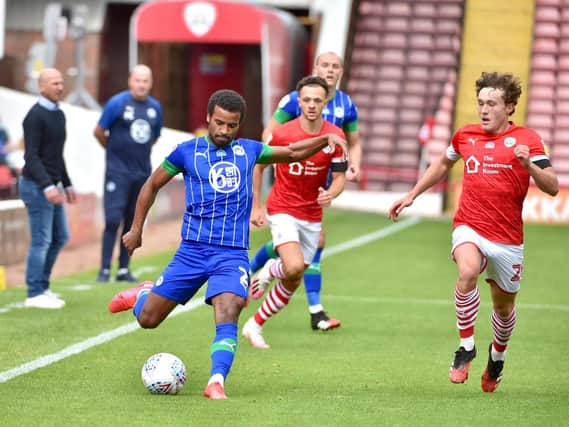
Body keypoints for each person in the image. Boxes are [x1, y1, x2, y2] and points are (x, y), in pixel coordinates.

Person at [107, 89, 347, 399]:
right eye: (219, 123)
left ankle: (216, 381)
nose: (223, 131)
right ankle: (143, 295)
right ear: (208, 117)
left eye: (231, 126)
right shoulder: (185, 152)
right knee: (148, 320)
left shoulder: (250, 151)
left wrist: (323, 140)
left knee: (229, 309)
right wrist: (136, 229)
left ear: (239, 125)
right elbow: (152, 185)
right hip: (191, 252)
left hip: (231, 254)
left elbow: (290, 153)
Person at [387, 72, 559, 392]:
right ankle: (466, 346)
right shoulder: (465, 135)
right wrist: (412, 194)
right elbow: (441, 164)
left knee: (503, 308)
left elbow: (551, 187)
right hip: (470, 225)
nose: (484, 109)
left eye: (491, 103)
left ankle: (497, 355)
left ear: (509, 107)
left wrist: (530, 166)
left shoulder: (528, 140)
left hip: (507, 238)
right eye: (480, 103)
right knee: (466, 272)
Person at [249, 51, 361, 331]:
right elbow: (269, 136)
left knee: (298, 258)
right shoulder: (293, 100)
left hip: (319, 187)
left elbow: (353, 142)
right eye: (325, 65)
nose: (330, 70)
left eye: (335, 66)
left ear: (341, 73)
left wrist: (351, 166)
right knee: (298, 257)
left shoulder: (346, 105)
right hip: (290, 185)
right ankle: (315, 309)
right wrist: (285, 155)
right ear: (315, 67)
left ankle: (257, 273)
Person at [94, 64, 163, 283]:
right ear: (130, 81)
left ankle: (124, 269)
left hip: (142, 173)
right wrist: (113, 150)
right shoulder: (117, 103)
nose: (141, 85)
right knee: (113, 218)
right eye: (138, 80)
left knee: (132, 221)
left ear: (150, 84)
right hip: (117, 172)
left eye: (146, 81)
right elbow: (99, 131)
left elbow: (155, 136)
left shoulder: (155, 108)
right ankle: (104, 269)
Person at [19, 68, 76, 309]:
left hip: (52, 186)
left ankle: (42, 286)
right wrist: (47, 186)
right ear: (41, 87)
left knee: (61, 236)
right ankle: (34, 292)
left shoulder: (59, 114)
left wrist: (67, 183)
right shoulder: (34, 116)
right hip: (35, 186)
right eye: (54, 83)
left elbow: (56, 155)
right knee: (41, 240)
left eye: (61, 82)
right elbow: (31, 157)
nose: (59, 87)